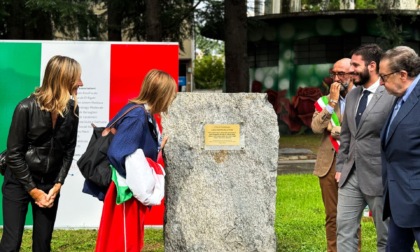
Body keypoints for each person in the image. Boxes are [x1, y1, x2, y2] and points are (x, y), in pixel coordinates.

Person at [0, 55, 82, 252]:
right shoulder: (25, 107)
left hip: (49, 184)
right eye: (77, 78)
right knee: (11, 245)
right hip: (19, 181)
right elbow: (14, 154)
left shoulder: (72, 110)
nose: (81, 83)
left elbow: (69, 150)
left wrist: (57, 185)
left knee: (42, 245)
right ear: (63, 79)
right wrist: (34, 191)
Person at [95, 69, 177, 252]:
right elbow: (119, 152)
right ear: (161, 95)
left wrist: (157, 148)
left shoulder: (140, 113)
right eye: (171, 93)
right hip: (126, 194)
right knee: (123, 244)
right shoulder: (138, 115)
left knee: (125, 242)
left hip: (127, 191)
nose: (173, 98)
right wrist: (138, 180)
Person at [335, 44, 395, 252]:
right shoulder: (352, 95)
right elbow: (346, 136)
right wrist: (340, 167)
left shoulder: (391, 94)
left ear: (371, 66)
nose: (350, 70)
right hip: (350, 174)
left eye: (354, 65)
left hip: (380, 176)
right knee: (344, 231)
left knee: (386, 236)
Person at [312, 58, 359, 252]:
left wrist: (337, 129)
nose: (336, 79)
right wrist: (331, 102)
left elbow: (360, 130)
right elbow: (316, 128)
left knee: (352, 215)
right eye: (334, 74)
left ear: (353, 74)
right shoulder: (324, 101)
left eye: (342, 74)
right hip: (329, 163)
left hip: (354, 161)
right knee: (332, 215)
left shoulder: (362, 98)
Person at [379, 46, 420, 251]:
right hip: (399, 201)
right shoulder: (399, 99)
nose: (380, 82)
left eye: (384, 76)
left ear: (402, 75)